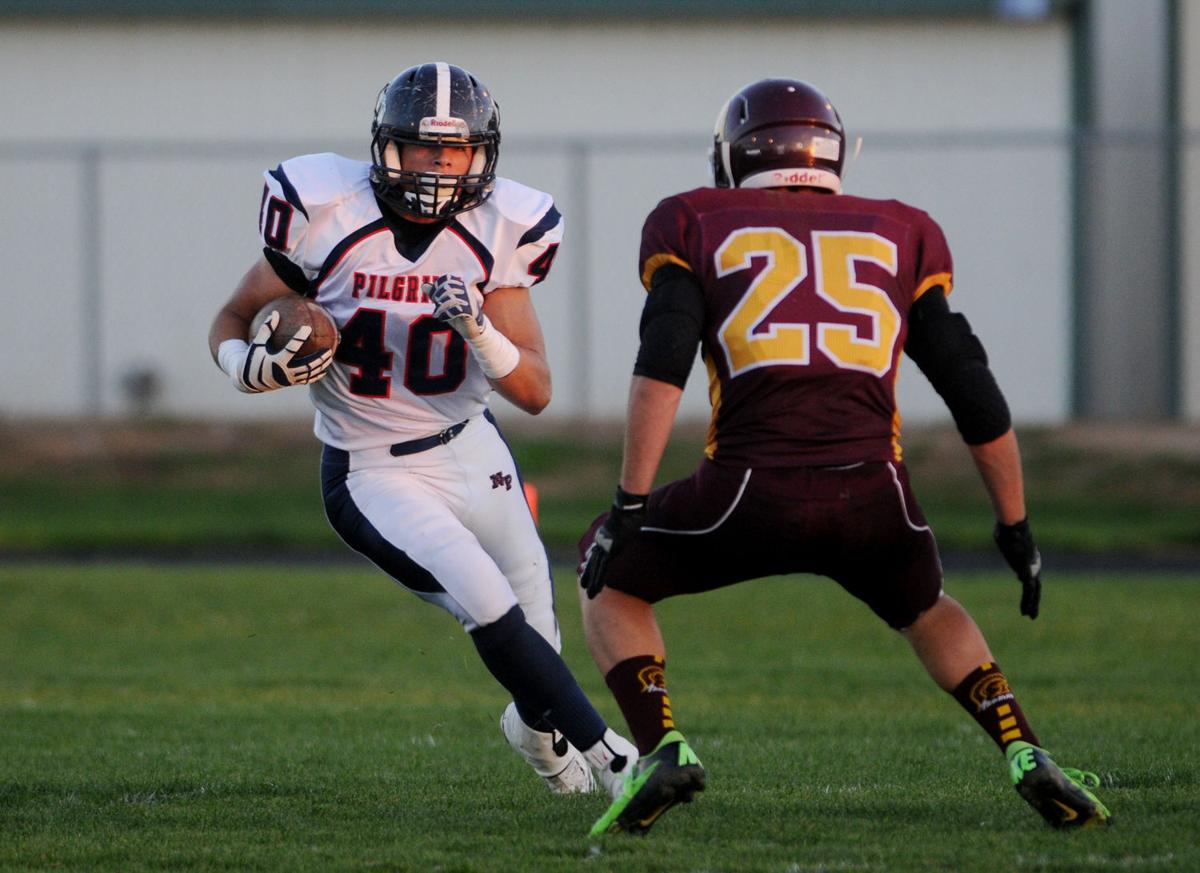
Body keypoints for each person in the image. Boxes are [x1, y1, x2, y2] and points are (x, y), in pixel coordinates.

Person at [577, 78, 1111, 836]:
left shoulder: (693, 217)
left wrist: (628, 504)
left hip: (745, 491)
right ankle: (1023, 748)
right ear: (833, 153)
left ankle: (661, 743)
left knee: (607, 575)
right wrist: (1014, 525)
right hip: (874, 497)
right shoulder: (902, 230)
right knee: (926, 607)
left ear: (733, 157)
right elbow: (972, 388)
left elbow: (663, 357)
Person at [208, 61, 635, 800]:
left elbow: (533, 390)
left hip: (471, 444)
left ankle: (539, 741)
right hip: (372, 467)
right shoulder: (325, 211)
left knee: (536, 631)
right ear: (384, 148)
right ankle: (619, 761)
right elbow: (232, 317)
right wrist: (244, 364)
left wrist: (477, 329)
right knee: (484, 598)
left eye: (457, 150)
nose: (440, 167)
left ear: (483, 155)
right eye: (422, 148)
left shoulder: (502, 229)